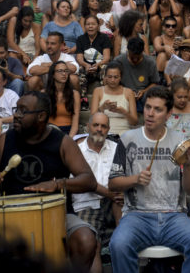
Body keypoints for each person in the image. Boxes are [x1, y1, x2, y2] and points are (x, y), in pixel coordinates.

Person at [0, 92, 98, 271]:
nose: (16, 114)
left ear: (41, 116)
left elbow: (89, 181)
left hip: (56, 214)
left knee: (85, 240)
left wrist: (57, 184)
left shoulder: (62, 142)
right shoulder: (5, 140)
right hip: (9, 214)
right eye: (16, 109)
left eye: (23, 111)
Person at [108, 86, 190, 273]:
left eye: (157, 109)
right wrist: (135, 179)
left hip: (174, 216)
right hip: (137, 215)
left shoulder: (180, 141)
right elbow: (113, 182)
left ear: (168, 114)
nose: (150, 113)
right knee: (118, 244)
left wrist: (189, 165)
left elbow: (189, 189)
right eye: (148, 107)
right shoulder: (128, 138)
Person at [74, 113, 123, 273]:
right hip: (87, 204)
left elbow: (125, 177)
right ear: (87, 127)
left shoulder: (116, 148)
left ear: (108, 129)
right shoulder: (76, 151)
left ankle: (120, 241)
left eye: (103, 126)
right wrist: (109, 192)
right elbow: (77, 184)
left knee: (125, 239)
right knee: (92, 245)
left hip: (114, 203)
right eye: (96, 125)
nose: (99, 129)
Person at [110, 38, 160, 113]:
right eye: (132, 57)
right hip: (123, 92)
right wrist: (127, 92)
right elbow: (113, 81)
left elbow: (155, 83)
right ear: (128, 51)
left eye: (138, 56)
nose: (135, 60)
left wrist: (143, 91)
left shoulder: (150, 62)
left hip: (144, 94)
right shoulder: (119, 61)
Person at [89, 63, 138, 135]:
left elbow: (134, 122)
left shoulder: (128, 92)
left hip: (124, 132)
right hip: (102, 132)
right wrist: (102, 108)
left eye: (116, 77)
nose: (112, 80)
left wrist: (124, 112)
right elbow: (92, 118)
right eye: (110, 77)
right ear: (105, 77)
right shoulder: (98, 91)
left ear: (120, 77)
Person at [45, 61, 81, 137]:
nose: (64, 74)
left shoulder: (75, 94)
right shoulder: (44, 93)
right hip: (50, 130)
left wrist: (69, 140)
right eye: (60, 71)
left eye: (66, 71)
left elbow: (75, 125)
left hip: (68, 131)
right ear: (53, 74)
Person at [76, 14, 112, 83]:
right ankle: (82, 93)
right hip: (86, 66)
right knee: (79, 69)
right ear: (84, 26)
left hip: (100, 65)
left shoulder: (104, 38)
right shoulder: (80, 39)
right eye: (88, 24)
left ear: (98, 26)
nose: (90, 26)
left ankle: (104, 92)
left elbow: (106, 58)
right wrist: (86, 65)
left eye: (93, 24)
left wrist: (98, 65)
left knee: (106, 68)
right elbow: (79, 58)